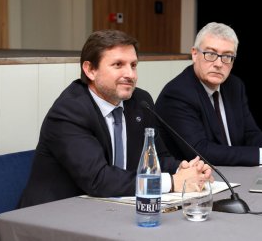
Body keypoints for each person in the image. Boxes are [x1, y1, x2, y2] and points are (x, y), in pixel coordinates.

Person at [18, 29, 212, 208]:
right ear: (90, 70)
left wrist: (185, 170)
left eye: (133, 65)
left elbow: (159, 157)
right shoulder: (69, 111)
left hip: (111, 207)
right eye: (118, 65)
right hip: (54, 215)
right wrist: (172, 182)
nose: (130, 74)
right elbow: (98, 179)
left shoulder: (140, 101)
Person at [155, 22, 262, 166]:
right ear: (194, 54)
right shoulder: (178, 93)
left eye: (227, 56)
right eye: (210, 54)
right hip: (197, 180)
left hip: (235, 173)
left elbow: (250, 134)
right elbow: (200, 151)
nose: (219, 63)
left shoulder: (234, 86)